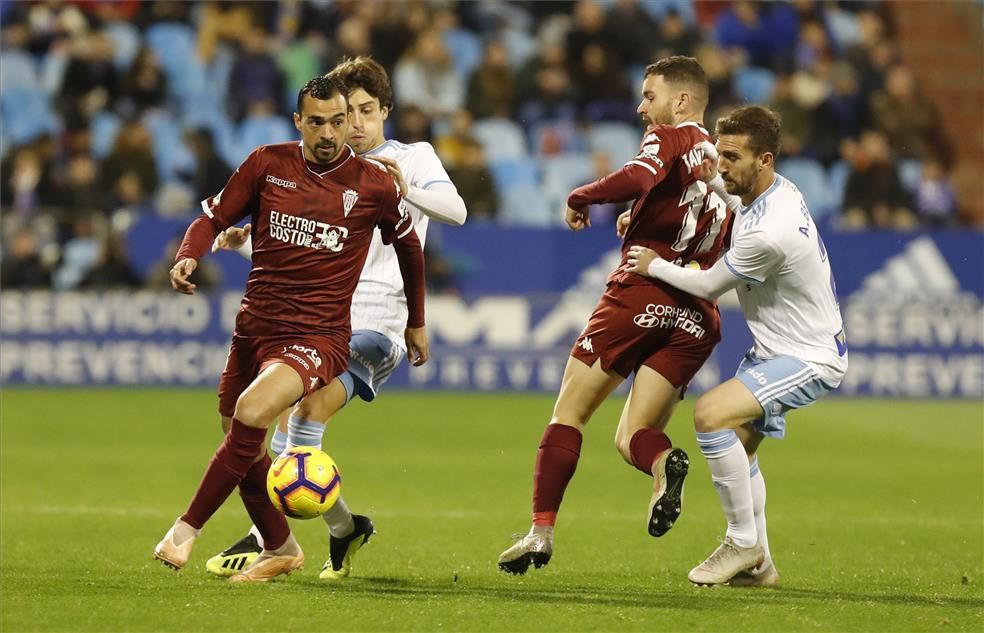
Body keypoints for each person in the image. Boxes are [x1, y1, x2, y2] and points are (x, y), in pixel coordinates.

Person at [152, 74, 429, 583]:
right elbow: (211, 219)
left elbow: (409, 248)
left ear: (349, 123)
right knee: (243, 441)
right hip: (254, 329)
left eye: (338, 122)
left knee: (253, 411)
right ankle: (280, 546)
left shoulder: (372, 184)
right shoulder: (266, 163)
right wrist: (188, 256)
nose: (328, 134)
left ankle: (186, 529)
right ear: (298, 121)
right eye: (317, 122)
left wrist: (417, 322)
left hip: (317, 338)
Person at [205, 56, 466, 581]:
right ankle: (344, 528)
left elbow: (455, 210)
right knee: (294, 428)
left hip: (376, 326)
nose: (358, 124)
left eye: (368, 111)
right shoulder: (328, 176)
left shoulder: (410, 158)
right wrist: (245, 244)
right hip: (322, 322)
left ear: (385, 111)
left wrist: (402, 189)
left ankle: (268, 540)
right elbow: (312, 248)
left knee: (287, 421)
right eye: (349, 114)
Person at [497, 56, 734, 575]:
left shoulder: (671, 138)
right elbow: (714, 232)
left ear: (682, 102)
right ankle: (661, 466)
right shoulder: (723, 165)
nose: (641, 107)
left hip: (641, 294)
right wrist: (643, 216)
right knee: (634, 437)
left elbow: (637, 173)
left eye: (650, 96)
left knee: (569, 414)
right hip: (698, 314)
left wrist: (582, 194)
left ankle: (540, 533)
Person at [625, 106, 848, 587]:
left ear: (764, 160)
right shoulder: (772, 191)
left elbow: (707, 287)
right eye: (720, 154)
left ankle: (743, 542)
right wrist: (703, 168)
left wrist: (653, 263)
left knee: (709, 415)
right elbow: (724, 186)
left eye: (732, 157)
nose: (721, 166)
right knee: (739, 450)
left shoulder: (770, 233)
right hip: (778, 348)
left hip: (809, 357)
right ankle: (761, 565)